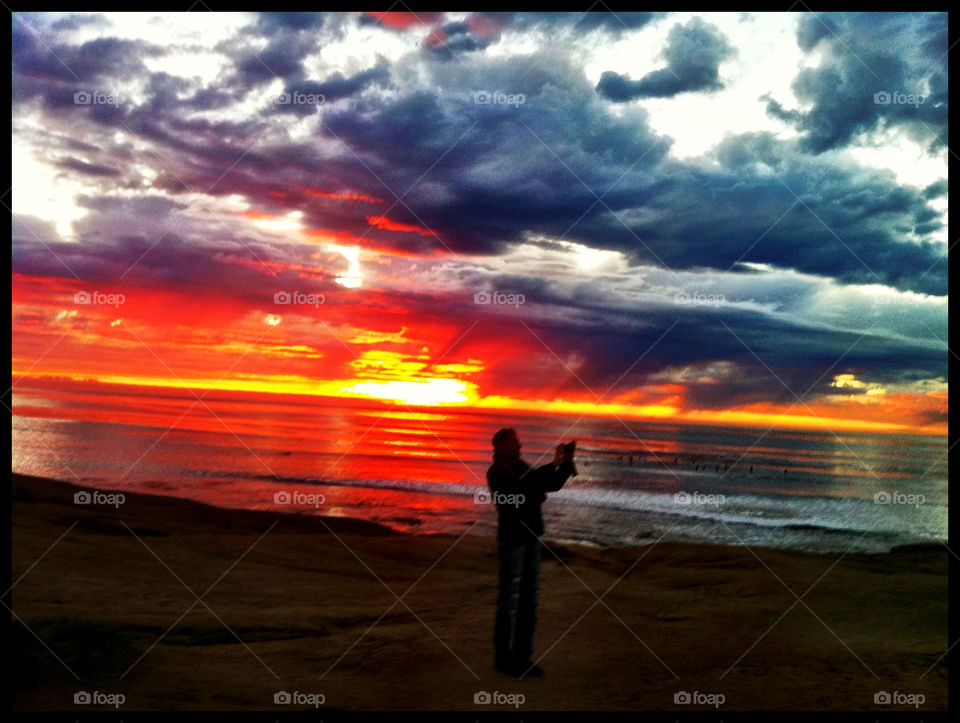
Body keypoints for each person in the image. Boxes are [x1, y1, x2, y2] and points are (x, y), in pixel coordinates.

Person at [487, 427, 576, 678]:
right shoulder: (497, 472)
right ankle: (504, 659)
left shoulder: (521, 467)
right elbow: (517, 496)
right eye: (515, 442)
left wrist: (564, 464)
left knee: (529, 602)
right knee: (510, 603)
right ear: (501, 445)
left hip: (530, 540)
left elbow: (547, 485)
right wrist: (537, 487)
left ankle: (523, 658)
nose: (520, 445)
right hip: (513, 543)